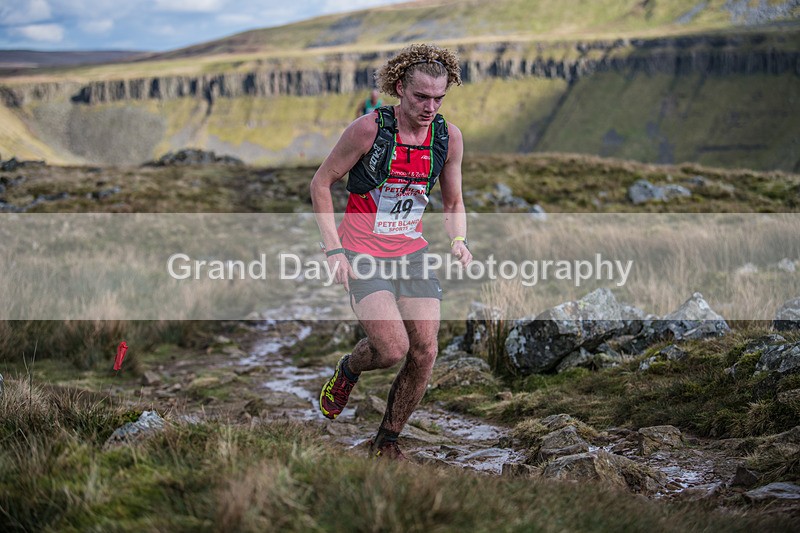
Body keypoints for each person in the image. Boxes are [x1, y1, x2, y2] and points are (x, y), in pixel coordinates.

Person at [310, 43, 472, 460]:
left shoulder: (447, 138)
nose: (430, 107)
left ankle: (386, 441)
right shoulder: (368, 130)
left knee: (426, 351)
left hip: (411, 254)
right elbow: (321, 183)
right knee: (391, 349)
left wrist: (459, 240)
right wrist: (333, 250)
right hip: (362, 253)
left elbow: (453, 202)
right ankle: (349, 369)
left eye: (439, 98)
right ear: (400, 88)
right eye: (421, 97)